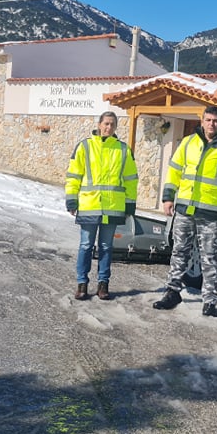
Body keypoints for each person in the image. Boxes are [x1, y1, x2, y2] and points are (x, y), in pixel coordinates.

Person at [153, 106, 217, 317]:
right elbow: (174, 170)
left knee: (210, 257)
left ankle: (209, 300)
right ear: (202, 120)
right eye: (208, 120)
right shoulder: (188, 143)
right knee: (179, 251)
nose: (211, 124)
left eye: (215, 120)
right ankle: (172, 292)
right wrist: (168, 197)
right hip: (185, 208)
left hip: (211, 212)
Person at [65, 111, 138, 301]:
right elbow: (74, 175)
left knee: (106, 246)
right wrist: (71, 199)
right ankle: (82, 284)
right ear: (99, 124)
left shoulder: (123, 150)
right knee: (86, 245)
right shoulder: (85, 146)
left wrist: (130, 205)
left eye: (112, 124)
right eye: (106, 123)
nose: (109, 127)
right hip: (89, 205)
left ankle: (103, 285)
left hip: (113, 207)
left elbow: (131, 180)